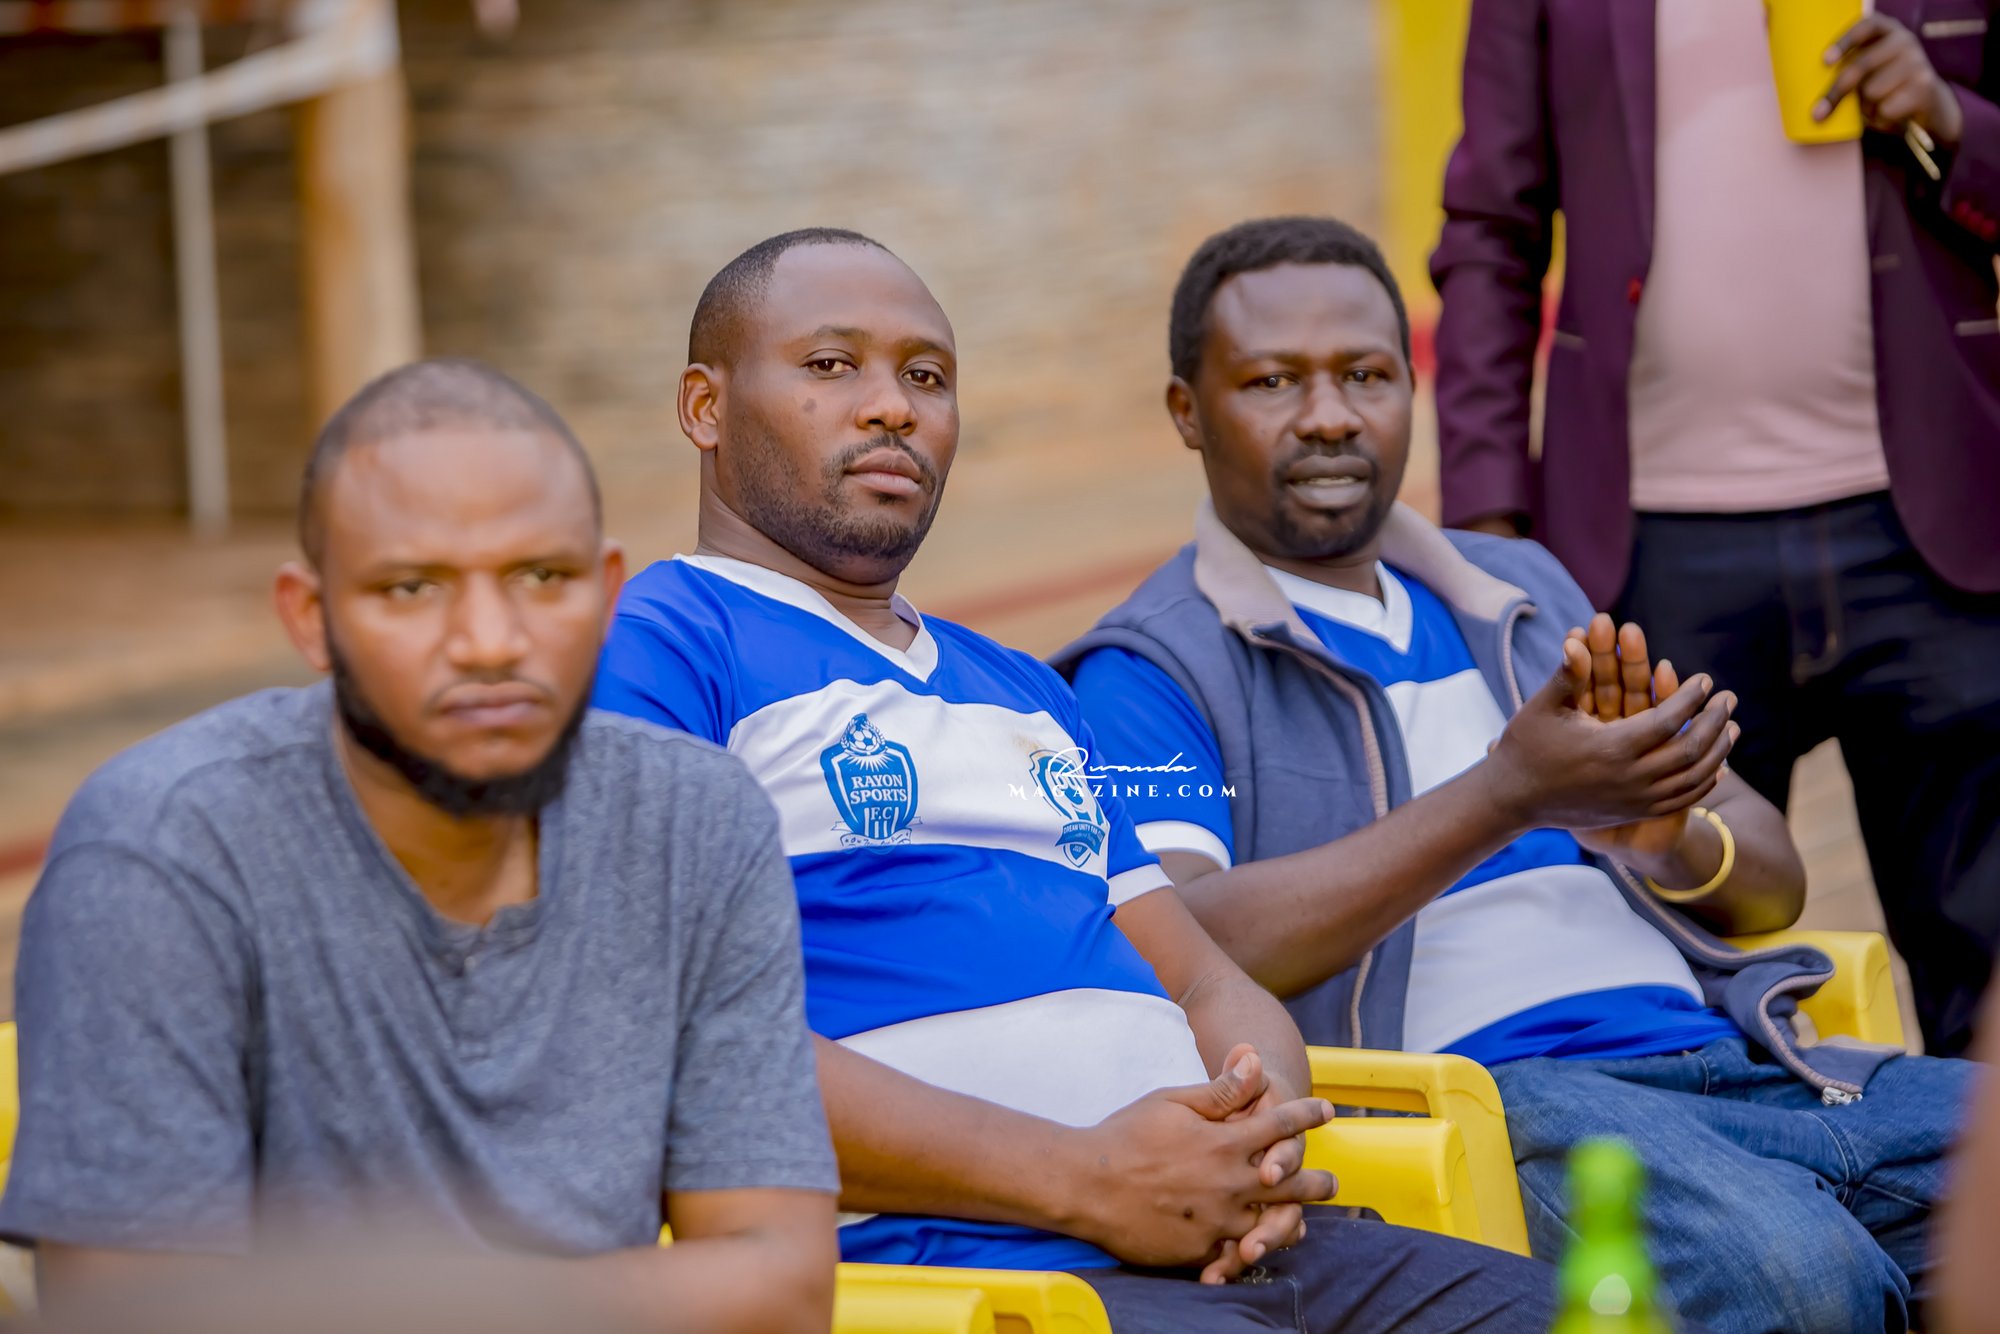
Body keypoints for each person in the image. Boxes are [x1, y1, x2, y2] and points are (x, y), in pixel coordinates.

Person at [592, 227, 1558, 1332]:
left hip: (1230, 1245)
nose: (892, 406)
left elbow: (1206, 982)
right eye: (830, 365)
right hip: (979, 1276)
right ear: (705, 407)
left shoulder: (1025, 689)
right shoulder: (665, 646)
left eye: (926, 376)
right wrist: (1086, 1179)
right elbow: (667, 1032)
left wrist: (1252, 1143)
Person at [1053, 216, 1976, 1334]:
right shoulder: (1149, 667)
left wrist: (1666, 836)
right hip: (1503, 1099)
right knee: (1798, 1276)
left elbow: (1770, 884)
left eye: (1366, 374)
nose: (1330, 414)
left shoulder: (1517, 592)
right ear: (1187, 411)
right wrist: (1507, 795)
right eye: (1272, 381)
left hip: (1745, 1057)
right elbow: (1181, 943)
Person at [0, 359, 839, 1331]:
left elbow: (781, 1287)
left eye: (542, 577)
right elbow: (133, 1314)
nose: (489, 641)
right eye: (411, 587)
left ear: (608, 592)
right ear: (311, 618)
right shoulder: (164, 849)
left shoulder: (695, 820)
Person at [1430, 0, 2000, 1058]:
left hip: (1936, 534)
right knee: (1680, 968)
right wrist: (1485, 528)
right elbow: (1488, 233)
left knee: (1987, 960)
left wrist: (1946, 115)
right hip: (1652, 556)